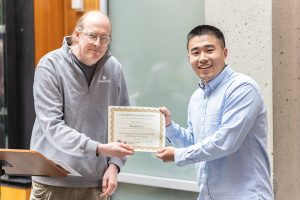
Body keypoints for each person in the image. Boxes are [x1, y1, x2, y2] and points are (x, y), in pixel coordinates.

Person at [156, 25, 273, 200]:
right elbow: (196, 143)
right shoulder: (197, 97)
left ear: (224, 53)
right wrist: (169, 127)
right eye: (195, 53)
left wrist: (177, 155)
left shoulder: (242, 88)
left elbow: (226, 142)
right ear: (189, 57)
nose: (202, 58)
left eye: (209, 50)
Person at [30, 11, 134, 200]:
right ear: (77, 35)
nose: (98, 43)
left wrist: (115, 165)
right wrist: (100, 148)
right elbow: (52, 127)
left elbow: (123, 122)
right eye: (92, 35)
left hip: (97, 184)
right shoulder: (50, 65)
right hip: (53, 181)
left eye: (104, 38)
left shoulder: (114, 68)